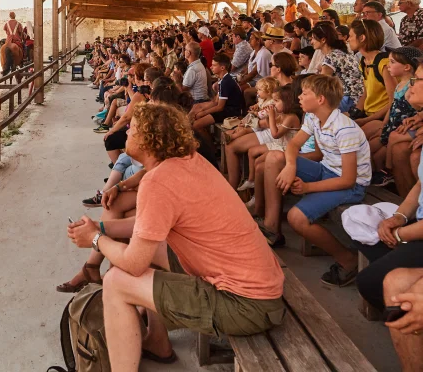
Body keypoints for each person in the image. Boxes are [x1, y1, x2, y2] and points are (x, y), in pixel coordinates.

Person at [66, 104, 285, 370]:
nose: (126, 132)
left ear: (147, 140)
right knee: (155, 247)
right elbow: (148, 228)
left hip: (245, 305)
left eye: (132, 129)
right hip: (261, 289)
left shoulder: (158, 182)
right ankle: (157, 342)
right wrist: (101, 228)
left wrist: (95, 240)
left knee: (115, 282)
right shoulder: (189, 162)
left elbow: (134, 263)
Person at [263, 75, 371, 285]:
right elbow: (293, 146)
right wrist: (291, 166)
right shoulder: (313, 117)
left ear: (320, 99)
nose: (299, 97)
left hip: (350, 184)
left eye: (305, 93)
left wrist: (308, 187)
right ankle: (271, 227)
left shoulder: (344, 128)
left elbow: (348, 180)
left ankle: (348, 261)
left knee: (297, 218)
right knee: (275, 158)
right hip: (326, 170)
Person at [355, 62, 423, 371]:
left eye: (417, 81)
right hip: (415, 223)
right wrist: (399, 217)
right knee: (360, 227)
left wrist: (400, 234)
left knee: (378, 282)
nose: (410, 86)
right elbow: (420, 186)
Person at [364, 47, 422, 187]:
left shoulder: (411, 88)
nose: (388, 66)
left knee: (390, 143)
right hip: (392, 126)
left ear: (407, 67)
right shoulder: (399, 85)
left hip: (400, 128)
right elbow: (392, 106)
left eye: (392, 62)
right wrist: (384, 124)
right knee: (369, 148)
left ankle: (388, 170)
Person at [348, 19, 396, 127]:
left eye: (350, 36)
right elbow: (366, 93)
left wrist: (366, 120)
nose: (348, 39)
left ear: (362, 38)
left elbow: (393, 100)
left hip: (381, 117)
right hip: (368, 114)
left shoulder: (383, 64)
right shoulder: (364, 61)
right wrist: (355, 114)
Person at [189, 53, 245, 145]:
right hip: (225, 109)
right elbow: (215, 101)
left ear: (222, 67)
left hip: (231, 111)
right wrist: (202, 109)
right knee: (197, 109)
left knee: (196, 125)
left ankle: (209, 148)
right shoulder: (223, 79)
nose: (211, 67)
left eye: (214, 65)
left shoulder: (226, 82)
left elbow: (220, 107)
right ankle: (209, 141)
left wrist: (203, 113)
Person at [311, 21, 363, 113]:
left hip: (348, 100)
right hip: (358, 97)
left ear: (323, 40)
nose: (311, 42)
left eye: (313, 39)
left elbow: (322, 84)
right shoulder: (341, 52)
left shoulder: (331, 56)